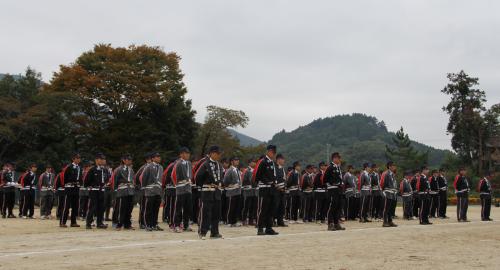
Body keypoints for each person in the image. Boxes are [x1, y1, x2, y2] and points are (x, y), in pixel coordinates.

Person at [195, 145, 224, 239]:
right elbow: (198, 177)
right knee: (206, 213)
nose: (219, 155)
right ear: (211, 153)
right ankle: (202, 232)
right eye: (217, 153)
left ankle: (214, 232)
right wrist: (203, 186)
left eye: (219, 154)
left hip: (217, 192)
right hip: (207, 191)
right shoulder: (205, 164)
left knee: (216, 213)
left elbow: (221, 177)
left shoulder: (219, 165)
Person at [253, 145, 279, 236]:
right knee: (262, 209)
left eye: (274, 152)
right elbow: (256, 175)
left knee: (270, 209)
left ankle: (269, 228)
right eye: (272, 152)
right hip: (264, 188)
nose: (273, 154)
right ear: (268, 151)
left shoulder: (272, 162)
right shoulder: (262, 161)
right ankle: (260, 228)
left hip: (272, 188)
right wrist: (265, 181)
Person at [84, 153, 110, 229]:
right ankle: (88, 223)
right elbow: (86, 181)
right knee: (93, 207)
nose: (103, 161)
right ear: (96, 160)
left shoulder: (105, 170)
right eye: (101, 159)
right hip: (94, 190)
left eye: (104, 159)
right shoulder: (92, 169)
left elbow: (107, 179)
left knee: (101, 207)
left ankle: (100, 222)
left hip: (102, 190)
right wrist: (91, 186)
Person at [172, 147, 194, 232]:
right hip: (180, 187)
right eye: (185, 153)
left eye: (188, 153)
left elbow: (190, 174)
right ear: (181, 154)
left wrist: (189, 180)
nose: (187, 155)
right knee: (178, 208)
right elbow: (173, 175)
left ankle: (186, 225)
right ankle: (176, 225)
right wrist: (177, 184)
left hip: (188, 188)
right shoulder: (178, 163)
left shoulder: (188, 163)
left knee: (187, 208)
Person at [141, 151, 164, 231]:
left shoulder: (161, 167)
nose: (159, 158)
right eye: (157, 157)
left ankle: (154, 224)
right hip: (150, 190)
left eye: (159, 157)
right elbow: (143, 177)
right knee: (148, 209)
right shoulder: (148, 166)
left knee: (156, 209)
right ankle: (147, 224)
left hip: (158, 190)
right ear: (153, 158)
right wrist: (144, 187)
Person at [113, 154, 136, 230]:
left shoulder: (131, 169)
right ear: (124, 160)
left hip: (130, 190)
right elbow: (115, 180)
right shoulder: (119, 169)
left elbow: (133, 180)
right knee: (121, 208)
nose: (130, 161)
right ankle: (119, 224)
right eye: (128, 160)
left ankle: (127, 224)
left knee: (129, 208)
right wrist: (116, 190)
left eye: (130, 160)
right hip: (122, 190)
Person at [323, 152, 345, 231]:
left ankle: (336, 223)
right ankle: (330, 224)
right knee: (332, 206)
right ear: (334, 158)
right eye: (338, 158)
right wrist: (331, 183)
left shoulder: (338, 168)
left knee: (338, 207)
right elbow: (324, 179)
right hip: (332, 189)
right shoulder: (330, 167)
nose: (339, 159)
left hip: (338, 189)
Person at [60, 153, 83, 228]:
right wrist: (65, 184)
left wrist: (80, 183)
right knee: (66, 205)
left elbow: (80, 177)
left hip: (76, 188)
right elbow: (63, 176)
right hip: (69, 187)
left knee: (75, 205)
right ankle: (62, 222)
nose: (79, 159)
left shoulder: (79, 167)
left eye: (79, 158)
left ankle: (73, 222)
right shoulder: (68, 167)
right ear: (73, 159)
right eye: (77, 158)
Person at [223, 156, 242, 227]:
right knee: (230, 207)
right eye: (235, 160)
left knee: (236, 207)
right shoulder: (229, 170)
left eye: (238, 160)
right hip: (231, 192)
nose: (237, 161)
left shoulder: (237, 170)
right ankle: (228, 221)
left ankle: (234, 221)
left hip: (238, 191)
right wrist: (230, 185)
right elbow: (225, 181)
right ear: (232, 162)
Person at [381, 161, 398, 227]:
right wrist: (383, 191)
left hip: (392, 193)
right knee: (386, 208)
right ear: (389, 166)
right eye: (393, 166)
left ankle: (390, 221)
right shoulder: (385, 173)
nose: (394, 167)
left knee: (391, 209)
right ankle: (385, 222)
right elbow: (382, 183)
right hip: (387, 192)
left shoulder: (392, 174)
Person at [241, 158, 257, 226]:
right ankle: (244, 220)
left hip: (253, 191)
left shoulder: (255, 170)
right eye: (253, 162)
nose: (254, 163)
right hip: (248, 191)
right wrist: (249, 183)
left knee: (253, 207)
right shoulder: (246, 170)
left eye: (255, 162)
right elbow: (244, 180)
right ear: (249, 163)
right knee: (246, 206)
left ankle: (251, 220)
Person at [161, 159, 176, 227]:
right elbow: (165, 175)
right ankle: (166, 217)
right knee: (168, 203)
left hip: (173, 186)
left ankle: (168, 217)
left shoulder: (174, 165)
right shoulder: (172, 165)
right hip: (169, 187)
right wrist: (164, 185)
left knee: (170, 203)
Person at [273, 154, 287, 227]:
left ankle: (280, 221)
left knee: (282, 206)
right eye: (282, 159)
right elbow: (273, 179)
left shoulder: (282, 168)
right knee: (275, 206)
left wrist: (284, 187)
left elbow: (284, 179)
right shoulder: (274, 167)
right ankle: (273, 220)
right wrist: (278, 188)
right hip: (276, 190)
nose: (284, 160)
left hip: (282, 190)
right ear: (278, 159)